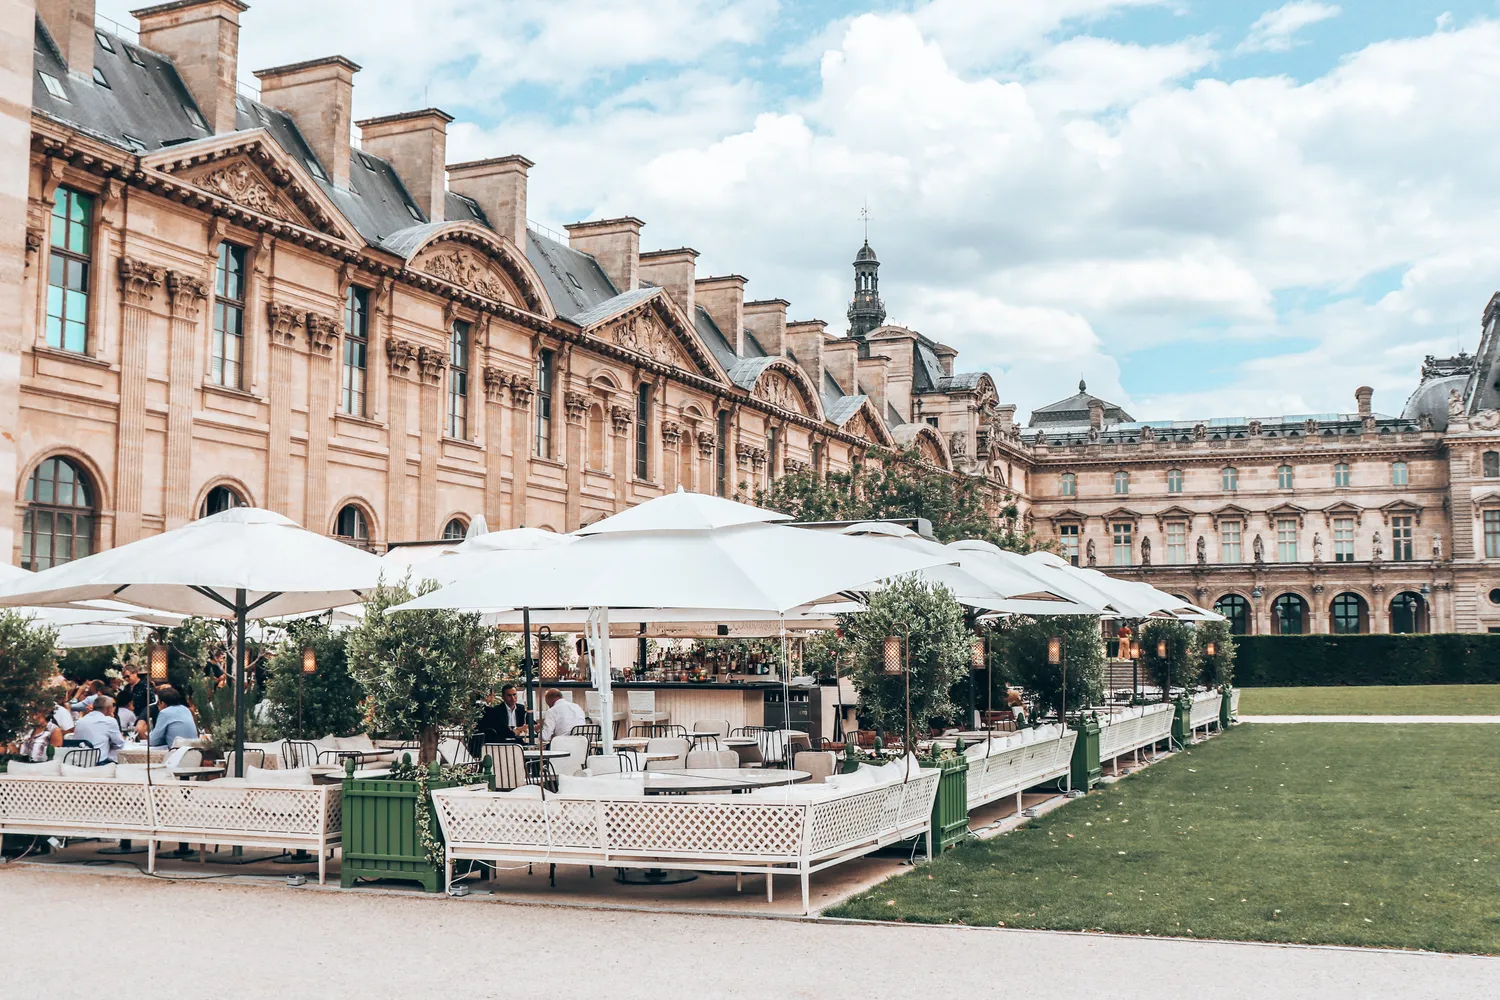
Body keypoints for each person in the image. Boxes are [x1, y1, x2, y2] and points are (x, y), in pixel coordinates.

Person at [469, 684, 529, 755]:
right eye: (509, 695)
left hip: (478, 746)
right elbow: (501, 728)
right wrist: (516, 730)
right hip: (495, 746)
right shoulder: (492, 711)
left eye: (514, 695)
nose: (513, 698)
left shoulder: (522, 709)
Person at [72, 695, 126, 764]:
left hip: (80, 761)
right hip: (99, 762)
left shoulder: (81, 721)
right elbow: (120, 744)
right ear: (108, 709)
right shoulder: (109, 721)